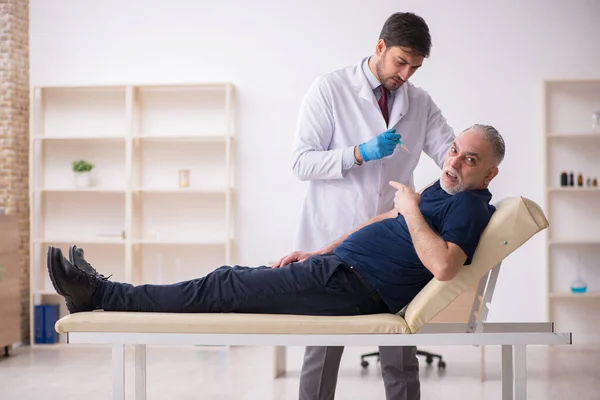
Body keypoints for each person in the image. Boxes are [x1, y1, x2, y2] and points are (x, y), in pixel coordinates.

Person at [47, 127, 503, 358]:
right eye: (453, 150)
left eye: (470, 159)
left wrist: (410, 209)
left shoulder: (468, 206)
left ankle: (101, 294)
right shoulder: (444, 192)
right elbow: (384, 218)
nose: (455, 161)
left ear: (489, 173)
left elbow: (444, 266)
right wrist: (321, 251)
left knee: (224, 285)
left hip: (354, 288)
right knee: (226, 283)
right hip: (337, 270)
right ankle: (102, 291)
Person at [289, 11, 455, 400]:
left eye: (415, 67)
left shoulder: (420, 102)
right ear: (380, 47)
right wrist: (358, 154)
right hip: (333, 234)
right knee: (323, 347)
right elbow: (301, 162)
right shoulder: (329, 89)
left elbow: (448, 152)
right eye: (401, 62)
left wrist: (471, 160)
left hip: (392, 240)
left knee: (399, 349)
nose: (406, 75)